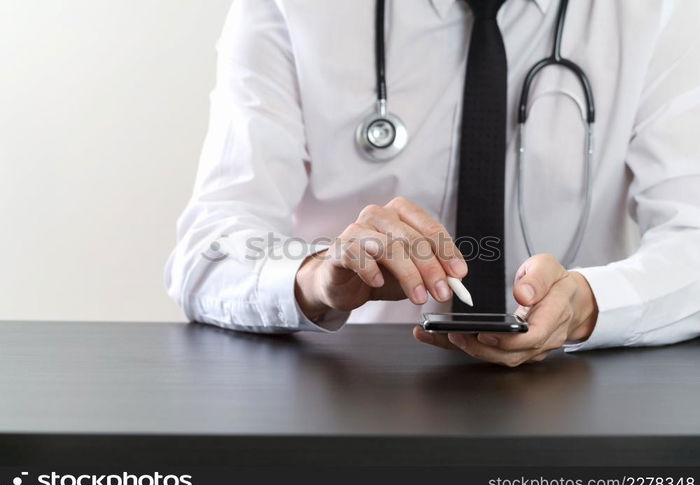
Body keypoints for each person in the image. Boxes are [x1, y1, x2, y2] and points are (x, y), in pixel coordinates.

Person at [165, 0, 700, 367]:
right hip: (350, 398)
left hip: (574, 400)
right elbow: (208, 251)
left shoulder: (659, 12)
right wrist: (315, 278)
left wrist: (588, 305)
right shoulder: (291, 9)